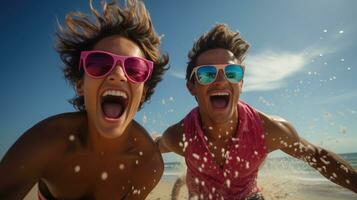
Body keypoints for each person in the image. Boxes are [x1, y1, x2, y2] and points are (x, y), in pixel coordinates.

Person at [156, 24, 357, 200]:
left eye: (232, 73)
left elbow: (318, 155)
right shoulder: (179, 136)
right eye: (207, 74)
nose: (221, 80)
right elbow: (151, 148)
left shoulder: (269, 130)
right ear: (191, 87)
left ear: (241, 83)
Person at [0, 0, 169, 199]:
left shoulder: (148, 164)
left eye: (134, 69)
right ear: (80, 84)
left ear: (144, 91)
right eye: (99, 63)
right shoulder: (46, 142)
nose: (118, 74)